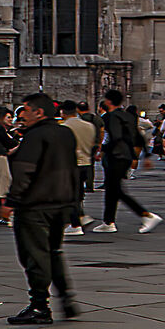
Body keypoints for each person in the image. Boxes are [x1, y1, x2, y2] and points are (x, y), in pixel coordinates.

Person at [5, 94, 82, 324]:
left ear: (39, 112)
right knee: (53, 252)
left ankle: (39, 306)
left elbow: (24, 171)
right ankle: (66, 298)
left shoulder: (35, 135)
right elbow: (72, 168)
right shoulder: (65, 132)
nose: (21, 115)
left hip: (35, 205)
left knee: (34, 254)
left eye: (25, 110)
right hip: (60, 203)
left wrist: (10, 201)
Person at [93, 89, 161, 233]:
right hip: (127, 155)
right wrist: (147, 156)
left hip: (116, 155)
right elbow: (139, 136)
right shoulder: (129, 116)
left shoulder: (110, 117)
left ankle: (146, 215)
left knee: (116, 190)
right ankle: (108, 222)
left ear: (108, 102)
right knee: (112, 189)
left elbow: (115, 137)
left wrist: (102, 149)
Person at [59, 101, 99, 237]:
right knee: (78, 193)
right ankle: (81, 216)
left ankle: (75, 224)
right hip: (86, 163)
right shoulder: (89, 126)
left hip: (71, 163)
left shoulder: (64, 127)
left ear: (62, 112)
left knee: (70, 195)